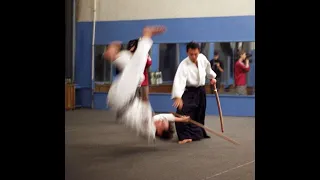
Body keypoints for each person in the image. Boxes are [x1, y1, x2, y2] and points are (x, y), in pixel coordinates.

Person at [104, 25, 166, 141]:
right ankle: (114, 56)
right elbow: (164, 116)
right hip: (121, 98)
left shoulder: (149, 131)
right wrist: (180, 119)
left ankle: (147, 35)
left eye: (163, 124)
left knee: (136, 67)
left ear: (160, 131)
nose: (161, 120)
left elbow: (158, 118)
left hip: (123, 100)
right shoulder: (150, 123)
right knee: (136, 71)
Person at [171, 42, 217, 144]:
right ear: (187, 52)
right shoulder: (184, 65)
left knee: (200, 112)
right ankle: (185, 136)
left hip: (200, 90)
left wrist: (212, 77)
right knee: (182, 112)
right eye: (191, 54)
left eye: (195, 54)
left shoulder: (202, 58)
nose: (194, 56)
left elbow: (208, 69)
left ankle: (198, 133)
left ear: (199, 52)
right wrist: (178, 96)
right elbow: (179, 80)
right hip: (189, 91)